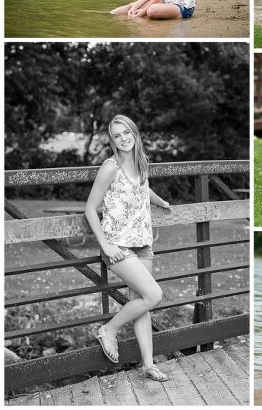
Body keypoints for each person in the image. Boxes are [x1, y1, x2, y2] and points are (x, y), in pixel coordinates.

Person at [85, 115, 172, 382]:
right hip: (118, 247)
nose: (123, 139)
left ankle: (148, 365)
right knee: (153, 295)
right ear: (111, 140)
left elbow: (142, 189)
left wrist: (162, 202)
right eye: (116, 135)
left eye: (126, 133)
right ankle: (108, 330)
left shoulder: (141, 162)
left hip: (143, 244)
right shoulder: (110, 167)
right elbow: (90, 208)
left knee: (141, 302)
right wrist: (106, 245)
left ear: (135, 133)